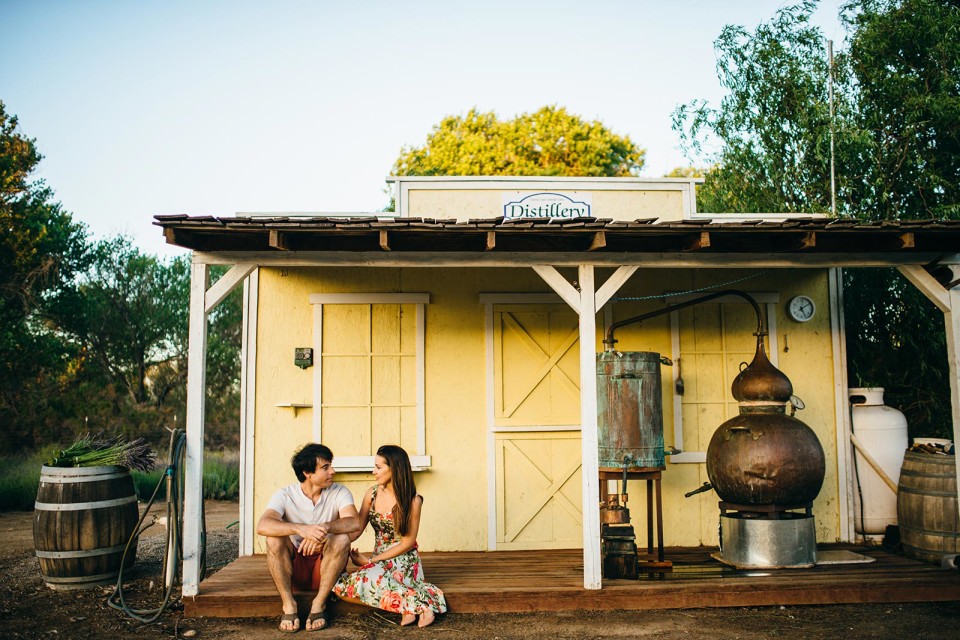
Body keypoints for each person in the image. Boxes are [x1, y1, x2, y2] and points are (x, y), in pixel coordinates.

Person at [333, 444, 447, 627]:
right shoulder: (372, 494)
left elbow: (408, 543)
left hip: (403, 557)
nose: (373, 472)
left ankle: (416, 605)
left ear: (394, 468)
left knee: (369, 577)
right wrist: (333, 539)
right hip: (379, 557)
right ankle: (414, 606)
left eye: (379, 467)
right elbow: (356, 529)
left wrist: (372, 561)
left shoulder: (413, 500)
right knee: (341, 589)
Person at [257, 443, 360, 632]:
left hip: (326, 568)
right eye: (325, 467)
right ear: (307, 473)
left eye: (331, 465)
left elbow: (354, 522)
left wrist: (322, 529)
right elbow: (263, 525)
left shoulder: (339, 491)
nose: (333, 471)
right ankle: (289, 605)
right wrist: (302, 530)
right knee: (273, 538)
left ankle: (319, 604)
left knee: (342, 538)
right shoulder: (285, 495)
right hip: (295, 569)